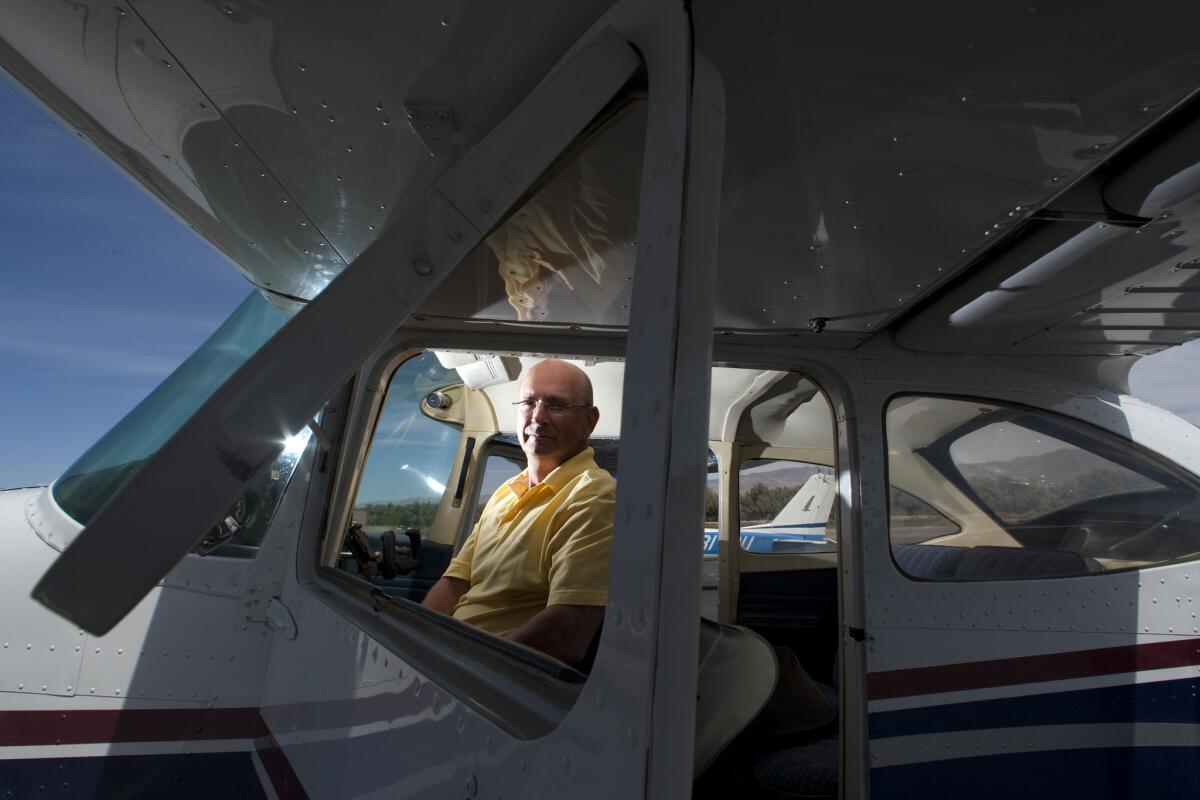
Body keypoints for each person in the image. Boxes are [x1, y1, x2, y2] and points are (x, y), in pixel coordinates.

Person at [422, 359, 615, 668]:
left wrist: (462, 663)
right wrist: (421, 641)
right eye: (529, 402)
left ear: (589, 422)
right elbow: (454, 584)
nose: (538, 417)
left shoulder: (594, 497)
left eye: (556, 404)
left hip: (495, 677)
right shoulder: (505, 492)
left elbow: (566, 635)